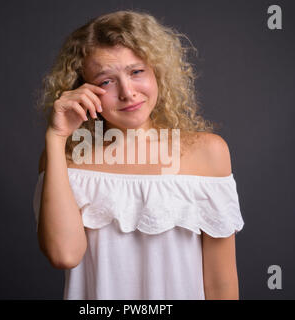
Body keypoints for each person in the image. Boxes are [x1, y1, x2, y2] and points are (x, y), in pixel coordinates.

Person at [32, 10, 244, 300]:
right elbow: (64, 255)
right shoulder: (65, 158)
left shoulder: (208, 153)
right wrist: (56, 138)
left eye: (136, 72)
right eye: (106, 81)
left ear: (157, 71)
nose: (128, 92)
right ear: (82, 89)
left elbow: (221, 284)